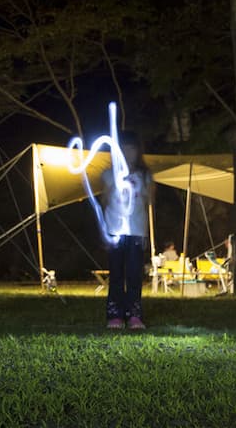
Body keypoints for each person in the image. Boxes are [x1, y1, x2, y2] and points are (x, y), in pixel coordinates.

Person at [101, 131, 154, 330]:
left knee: (134, 274)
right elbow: (104, 201)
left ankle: (134, 315)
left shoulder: (145, 175)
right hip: (115, 231)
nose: (127, 152)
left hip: (136, 232)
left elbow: (149, 203)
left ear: (137, 151)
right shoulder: (108, 174)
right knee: (116, 274)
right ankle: (114, 315)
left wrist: (146, 232)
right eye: (122, 148)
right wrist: (105, 231)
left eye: (131, 148)